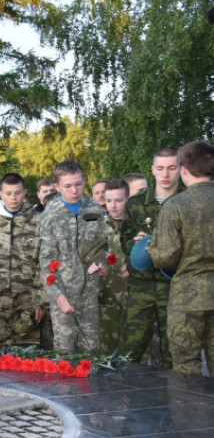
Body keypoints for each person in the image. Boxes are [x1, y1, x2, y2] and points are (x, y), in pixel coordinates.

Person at [148, 140, 214, 375]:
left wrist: (151, 250)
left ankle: (192, 413)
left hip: (188, 298)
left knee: (187, 370)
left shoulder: (175, 205)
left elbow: (166, 257)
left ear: (183, 169)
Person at [120, 147, 183, 367]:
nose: (165, 175)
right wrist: (136, 243)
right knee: (132, 348)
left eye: (172, 168)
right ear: (152, 170)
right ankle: (128, 398)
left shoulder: (186, 201)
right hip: (141, 287)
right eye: (160, 168)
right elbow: (124, 241)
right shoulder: (135, 204)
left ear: (181, 169)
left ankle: (175, 399)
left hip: (175, 287)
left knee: (174, 350)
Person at [39, 161, 107, 355]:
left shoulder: (94, 208)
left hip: (90, 293)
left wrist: (102, 262)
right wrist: (57, 295)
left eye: (78, 184)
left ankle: (90, 385)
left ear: (85, 181)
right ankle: (65, 386)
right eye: (68, 186)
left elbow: (102, 244)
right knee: (64, 351)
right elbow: (45, 263)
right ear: (57, 187)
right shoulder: (50, 216)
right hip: (64, 292)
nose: (74, 190)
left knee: (91, 349)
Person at [0, 174, 46, 346]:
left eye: (18, 193)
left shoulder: (37, 221)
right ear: (1, 194)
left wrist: (41, 299)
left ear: (25, 192)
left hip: (29, 300)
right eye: (9, 193)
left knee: (30, 356)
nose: (13, 197)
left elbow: (44, 262)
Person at [99, 179, 130, 355]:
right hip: (106, 301)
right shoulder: (97, 228)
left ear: (128, 198)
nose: (113, 205)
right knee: (106, 356)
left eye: (118, 200)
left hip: (134, 302)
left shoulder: (138, 227)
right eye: (109, 200)